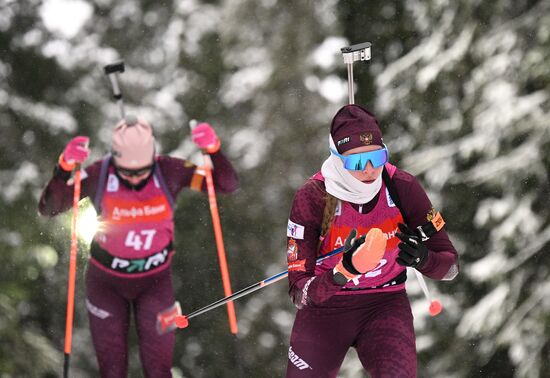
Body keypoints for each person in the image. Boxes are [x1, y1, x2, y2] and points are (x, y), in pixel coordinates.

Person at [38, 116, 239, 377]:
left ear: (153, 157)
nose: (135, 178)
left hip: (155, 281)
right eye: (128, 172)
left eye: (142, 171)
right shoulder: (99, 173)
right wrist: (64, 167)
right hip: (105, 283)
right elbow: (50, 207)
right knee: (112, 370)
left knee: (158, 370)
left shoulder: (170, 170)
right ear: (115, 159)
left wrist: (213, 150)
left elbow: (225, 184)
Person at [285, 104, 459, 378]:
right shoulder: (314, 196)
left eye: (377, 158)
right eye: (355, 162)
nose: (368, 170)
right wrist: (344, 272)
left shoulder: (402, 186)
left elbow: (450, 267)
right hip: (324, 311)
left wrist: (423, 258)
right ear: (337, 159)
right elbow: (299, 292)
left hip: (385, 303)